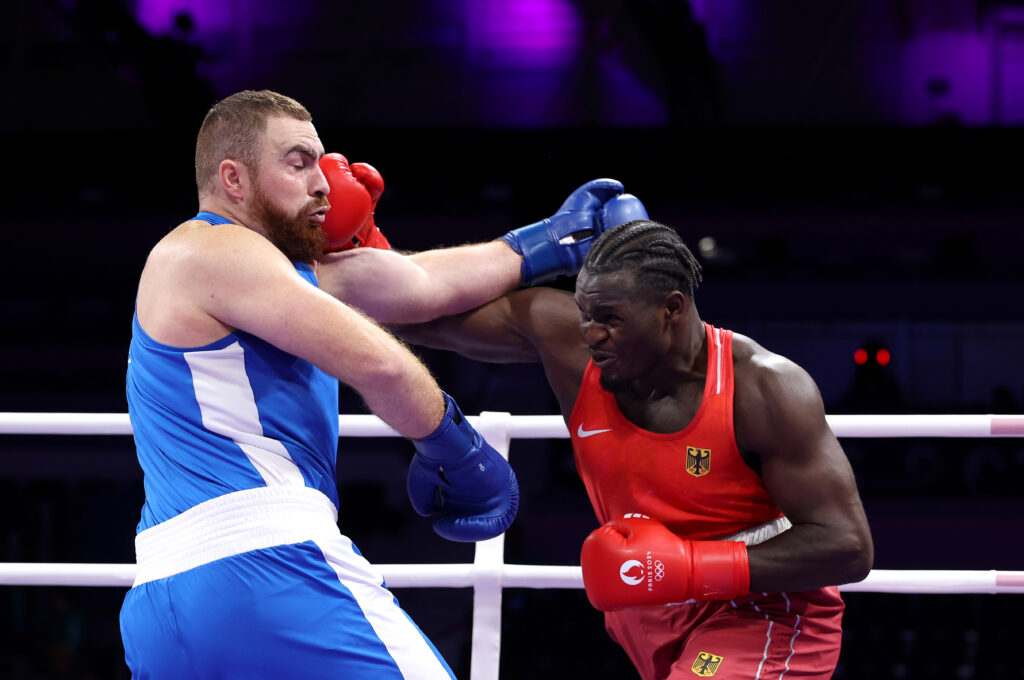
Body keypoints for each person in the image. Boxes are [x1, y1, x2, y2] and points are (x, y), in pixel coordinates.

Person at [119, 88, 647, 679]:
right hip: (268, 565)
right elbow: (383, 365)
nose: (322, 182)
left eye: (320, 161)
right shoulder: (208, 249)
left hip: (162, 600)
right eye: (297, 163)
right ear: (233, 179)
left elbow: (419, 284)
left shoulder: (275, 275)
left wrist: (550, 240)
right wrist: (455, 446)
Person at [398, 219, 874, 680]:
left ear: (672, 309)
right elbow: (419, 310)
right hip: (648, 616)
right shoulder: (569, 342)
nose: (591, 332)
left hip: (761, 615)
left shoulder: (763, 388)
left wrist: (690, 569)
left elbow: (847, 547)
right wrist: (346, 252)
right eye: (586, 313)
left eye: (610, 320)